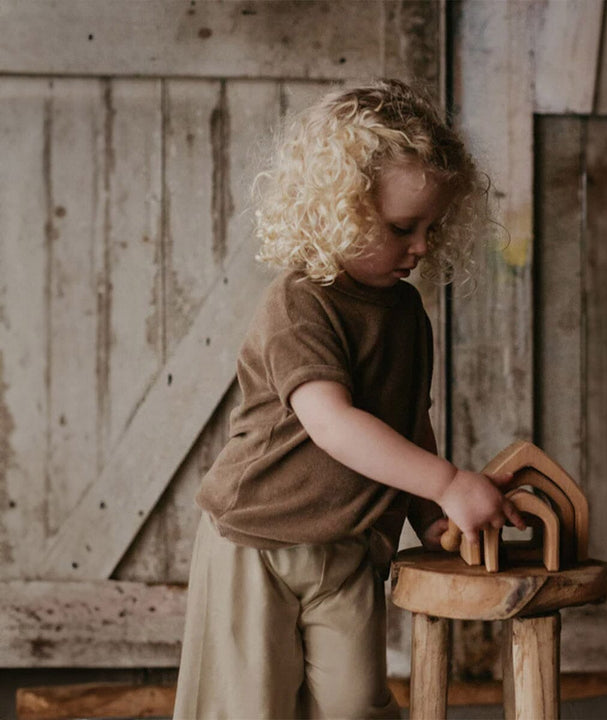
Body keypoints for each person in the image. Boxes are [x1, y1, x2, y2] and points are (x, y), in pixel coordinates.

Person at [173, 79, 525, 720]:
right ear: (340, 208)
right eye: (401, 228)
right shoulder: (300, 302)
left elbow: (409, 424)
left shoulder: (408, 314)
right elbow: (333, 424)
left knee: (352, 704)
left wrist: (430, 512)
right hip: (258, 544)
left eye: (431, 228)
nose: (420, 246)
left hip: (353, 549)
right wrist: (449, 481)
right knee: (248, 706)